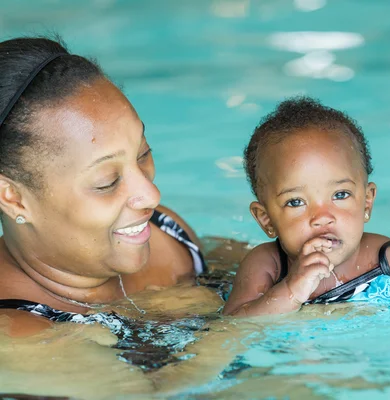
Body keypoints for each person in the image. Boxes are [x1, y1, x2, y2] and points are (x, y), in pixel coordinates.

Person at [0, 36, 245, 336]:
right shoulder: (17, 333)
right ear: (12, 198)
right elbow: (164, 386)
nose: (151, 196)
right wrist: (257, 318)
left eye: (143, 154)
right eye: (107, 182)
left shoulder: (167, 234)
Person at [224, 97, 390, 317]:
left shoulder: (385, 259)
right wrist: (291, 289)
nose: (322, 217)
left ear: (366, 202)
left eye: (340, 195)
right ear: (266, 219)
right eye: (296, 202)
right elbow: (234, 323)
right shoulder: (267, 265)